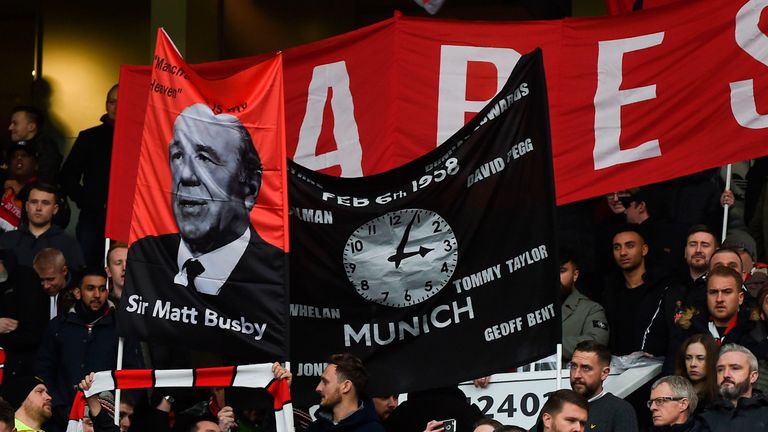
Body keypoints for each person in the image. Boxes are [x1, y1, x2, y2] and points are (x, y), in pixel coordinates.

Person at [123, 103, 285, 359]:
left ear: (250, 188)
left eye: (205, 158)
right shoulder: (146, 255)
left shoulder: (275, 271)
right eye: (178, 156)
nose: (186, 175)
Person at [36, 268, 117, 431]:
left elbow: (130, 366)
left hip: (105, 417)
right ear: (77, 292)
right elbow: (44, 369)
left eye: (102, 289)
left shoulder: (119, 326)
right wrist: (58, 405)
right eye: (90, 288)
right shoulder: (59, 325)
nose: (97, 295)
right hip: (61, 416)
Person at [60, 85, 119, 268]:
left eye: (121, 101)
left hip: (130, 217)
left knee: (126, 268)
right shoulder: (89, 137)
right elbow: (67, 176)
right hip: (93, 215)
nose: (116, 107)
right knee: (86, 266)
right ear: (106, 105)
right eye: (111, 102)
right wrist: (86, 200)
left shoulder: (143, 136)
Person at [602, 225, 670, 355]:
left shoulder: (662, 289)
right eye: (617, 247)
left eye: (630, 245)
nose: (623, 252)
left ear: (644, 249)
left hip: (655, 368)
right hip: (617, 369)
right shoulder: (610, 294)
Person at [0, 182, 84, 270]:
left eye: (45, 203)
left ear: (55, 209)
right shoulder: (7, 239)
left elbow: (76, 279)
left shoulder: (69, 245)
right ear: (27, 206)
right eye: (34, 202)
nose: (38, 208)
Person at [568, 341, 638, 432]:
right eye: (573, 366)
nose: (576, 375)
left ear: (604, 373)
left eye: (586, 368)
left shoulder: (620, 410)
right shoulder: (557, 405)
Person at [307, 353, 384, 432]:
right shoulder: (314, 428)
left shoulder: (373, 430)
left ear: (346, 386)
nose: (318, 388)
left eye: (325, 382)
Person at [699, 344, 768, 430]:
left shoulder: (765, 414)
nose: (726, 375)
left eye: (735, 368)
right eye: (720, 369)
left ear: (753, 376)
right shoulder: (704, 418)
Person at [559, 247, 609, 360]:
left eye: (562, 271)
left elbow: (597, 343)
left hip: (570, 375)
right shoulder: (531, 308)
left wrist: (548, 348)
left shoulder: (591, 309)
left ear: (575, 275)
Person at [8, 106, 62, 183]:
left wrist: (21, 188)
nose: (10, 128)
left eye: (15, 123)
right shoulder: (15, 147)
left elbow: (46, 180)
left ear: (31, 127)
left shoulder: (46, 147)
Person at [673, 334, 719, 413]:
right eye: (688, 358)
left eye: (700, 358)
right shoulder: (672, 391)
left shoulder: (719, 397)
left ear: (712, 361)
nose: (693, 364)